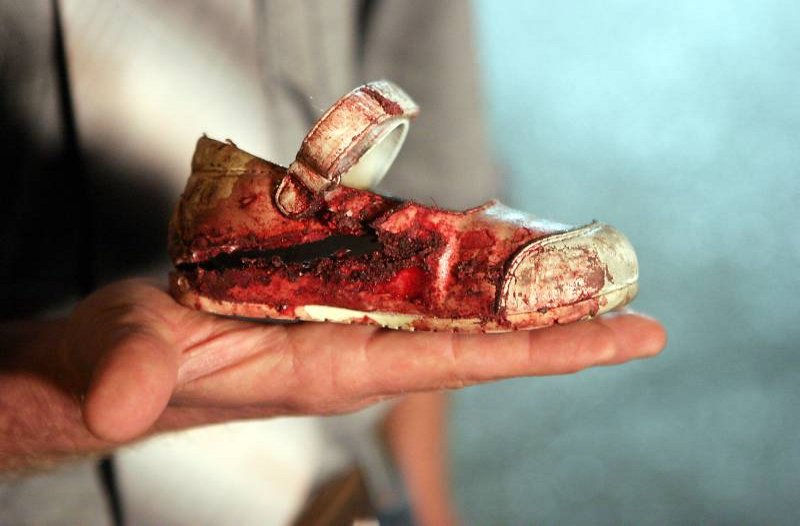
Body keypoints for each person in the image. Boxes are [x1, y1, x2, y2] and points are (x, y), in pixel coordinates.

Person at [0, 1, 666, 524]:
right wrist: (46, 393)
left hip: (340, 487)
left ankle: (250, 236)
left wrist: (424, 498)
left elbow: (433, 131)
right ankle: (236, 251)